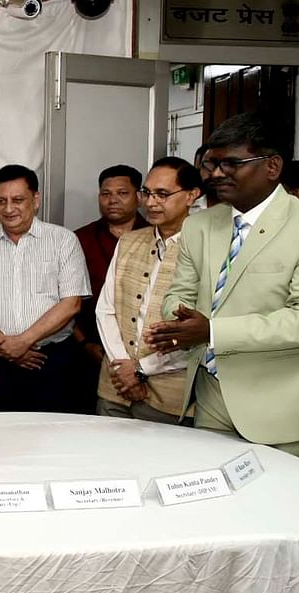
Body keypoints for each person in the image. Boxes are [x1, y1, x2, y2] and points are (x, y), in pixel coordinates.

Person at [148, 112, 299, 462]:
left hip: (281, 408)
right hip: (210, 398)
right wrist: (179, 321)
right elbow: (178, 294)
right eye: (212, 163)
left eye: (232, 163)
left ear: (272, 166)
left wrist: (210, 330)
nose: (216, 174)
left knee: (285, 513)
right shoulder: (201, 226)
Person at [0, 164, 90, 413]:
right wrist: (7, 347)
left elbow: (71, 304)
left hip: (51, 360)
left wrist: (24, 342)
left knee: (53, 437)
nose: (8, 209)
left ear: (35, 199)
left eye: (18, 200)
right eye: (1, 201)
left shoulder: (64, 241)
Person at [94, 157, 202, 424]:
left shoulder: (204, 247)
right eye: (147, 193)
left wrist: (141, 369)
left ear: (191, 195)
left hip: (169, 395)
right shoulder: (130, 241)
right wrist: (123, 369)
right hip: (115, 389)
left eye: (163, 194)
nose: (151, 203)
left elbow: (199, 330)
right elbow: (106, 309)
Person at [72, 165, 147, 412]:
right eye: (106, 194)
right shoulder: (79, 240)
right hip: (88, 350)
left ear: (138, 197)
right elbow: (66, 300)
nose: (112, 200)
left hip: (145, 359)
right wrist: (85, 344)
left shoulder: (154, 236)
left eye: (122, 193)